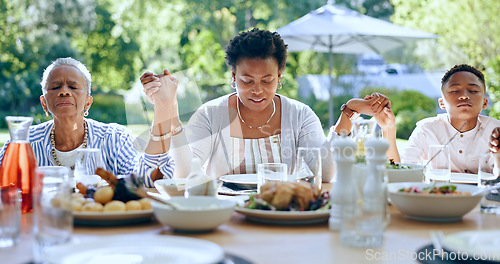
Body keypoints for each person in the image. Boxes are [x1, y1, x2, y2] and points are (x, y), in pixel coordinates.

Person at [142, 28, 395, 183]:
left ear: (279, 76)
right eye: (247, 80)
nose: (257, 90)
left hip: (283, 212)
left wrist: (348, 112)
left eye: (267, 80)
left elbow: (324, 173)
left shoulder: (300, 115)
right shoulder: (210, 114)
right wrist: (170, 109)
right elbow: (185, 174)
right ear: (233, 77)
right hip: (225, 215)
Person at [0, 57, 177, 187]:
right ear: (44, 102)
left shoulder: (113, 137)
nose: (64, 92)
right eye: (55, 87)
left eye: (73, 87)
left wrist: (163, 106)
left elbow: (147, 179)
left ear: (88, 102)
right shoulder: (23, 143)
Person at [402, 64, 500, 173]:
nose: (464, 96)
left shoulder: (496, 131)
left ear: (485, 102)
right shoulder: (426, 130)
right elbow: (404, 168)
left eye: (473, 90)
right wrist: (389, 129)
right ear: (442, 103)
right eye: (454, 91)